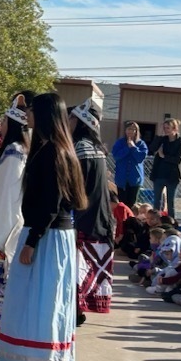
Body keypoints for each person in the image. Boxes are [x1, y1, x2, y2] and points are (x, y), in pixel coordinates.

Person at [0, 92, 87, 361]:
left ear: (46, 115)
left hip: (46, 236)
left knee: (40, 302)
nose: (28, 115)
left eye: (33, 111)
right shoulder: (53, 149)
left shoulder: (53, 152)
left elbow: (52, 202)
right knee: (35, 300)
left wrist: (32, 241)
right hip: (49, 234)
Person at [0, 93, 31, 321]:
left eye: (5, 120)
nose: (1, 125)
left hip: (3, 233)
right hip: (3, 230)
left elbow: (7, 201)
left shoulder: (14, 154)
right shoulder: (13, 151)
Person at [69, 99, 116, 322]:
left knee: (78, 268)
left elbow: (76, 188)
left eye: (71, 118)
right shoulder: (97, 148)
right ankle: (78, 308)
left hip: (84, 218)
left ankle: (75, 308)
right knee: (84, 267)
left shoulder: (80, 148)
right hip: (99, 218)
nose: (68, 122)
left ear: (81, 122)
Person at [149, 118, 181, 218]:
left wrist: (164, 156)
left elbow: (178, 159)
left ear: (174, 128)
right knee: (157, 201)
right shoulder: (162, 140)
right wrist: (159, 136)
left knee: (170, 202)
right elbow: (152, 149)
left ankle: (170, 222)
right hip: (159, 175)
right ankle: (156, 221)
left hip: (172, 176)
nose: (166, 130)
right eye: (164, 128)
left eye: (168, 128)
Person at [111, 122, 148, 207]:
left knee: (132, 204)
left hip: (135, 179)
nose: (130, 131)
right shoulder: (120, 143)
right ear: (125, 130)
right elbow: (116, 156)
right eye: (128, 129)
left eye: (133, 129)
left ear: (136, 131)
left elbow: (140, 158)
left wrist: (134, 147)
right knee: (122, 204)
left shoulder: (141, 144)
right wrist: (127, 148)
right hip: (122, 179)